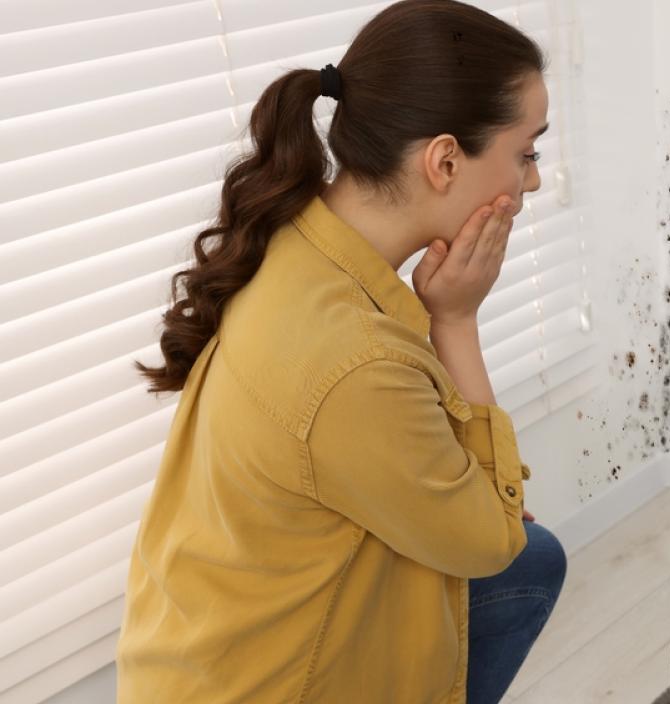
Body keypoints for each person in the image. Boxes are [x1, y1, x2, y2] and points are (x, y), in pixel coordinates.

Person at [116, 1, 566, 701]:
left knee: (532, 558)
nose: (530, 181)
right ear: (445, 160)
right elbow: (491, 543)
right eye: (527, 153)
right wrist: (454, 320)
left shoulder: (293, 236)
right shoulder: (355, 361)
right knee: (521, 554)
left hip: (185, 653)